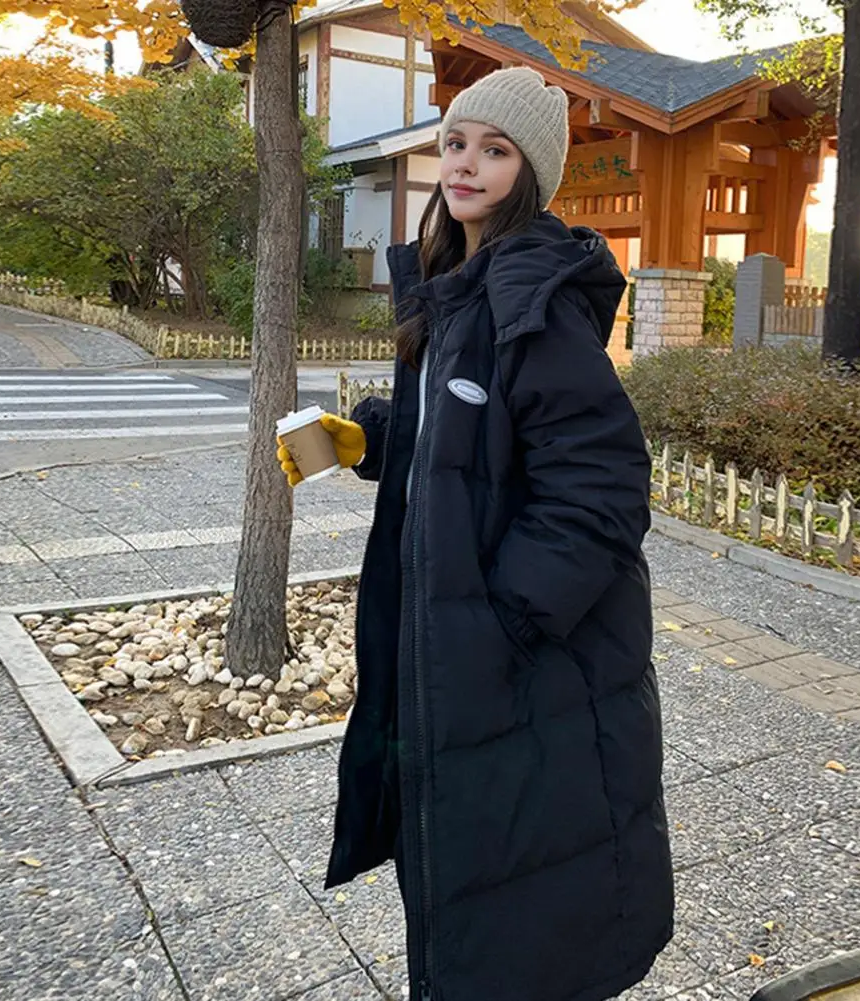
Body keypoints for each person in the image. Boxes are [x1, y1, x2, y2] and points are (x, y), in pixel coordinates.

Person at [278, 66, 673, 1001]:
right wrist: (365, 439)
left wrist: (505, 620)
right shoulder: (453, 282)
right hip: (455, 640)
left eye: (496, 150)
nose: (466, 164)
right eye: (456, 142)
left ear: (529, 172)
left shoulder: (531, 298)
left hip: (524, 654)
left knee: (520, 894)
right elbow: (460, 430)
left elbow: (603, 488)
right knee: (464, 865)